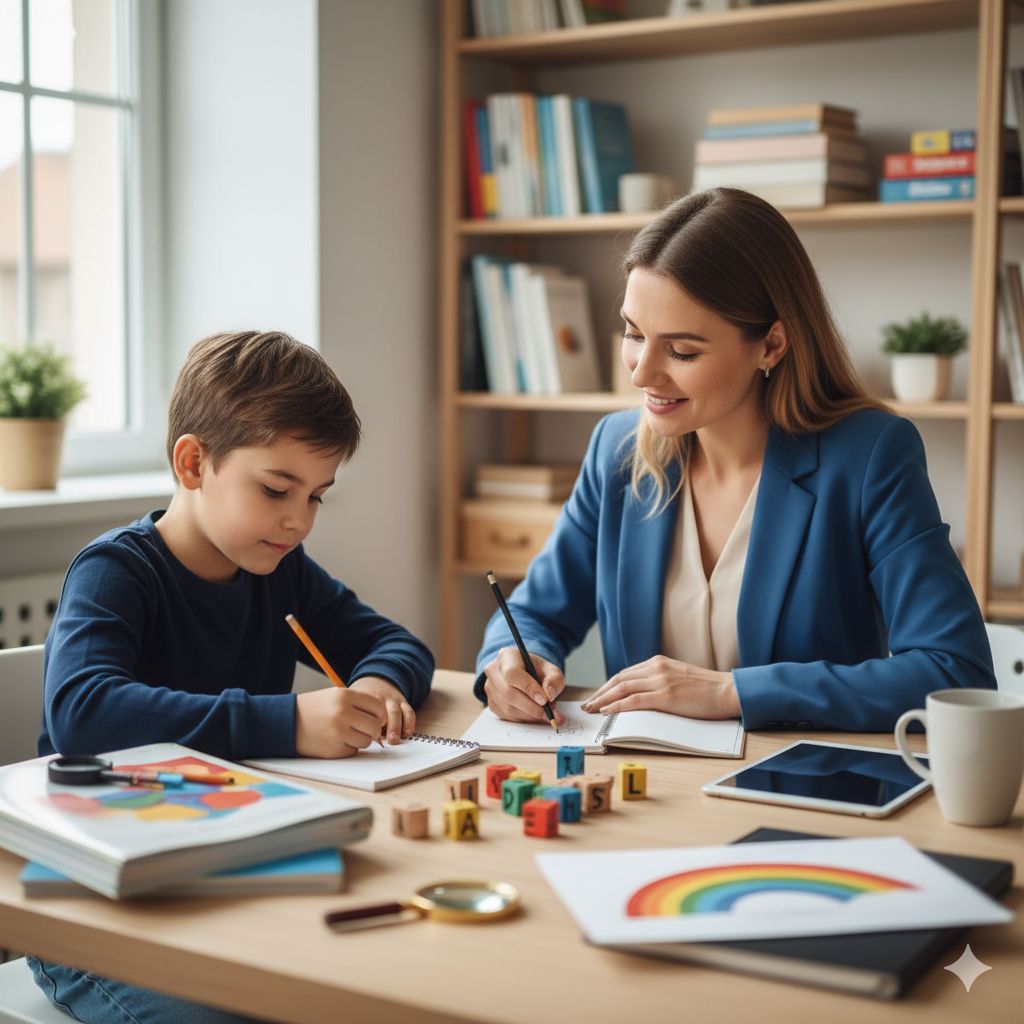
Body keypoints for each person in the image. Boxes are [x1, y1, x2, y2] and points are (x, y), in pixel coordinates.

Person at [476, 187, 994, 732]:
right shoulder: (617, 450)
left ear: (770, 345)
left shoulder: (869, 456)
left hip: (805, 786)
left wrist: (732, 692)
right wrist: (513, 661)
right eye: (633, 333)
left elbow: (955, 672)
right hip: (650, 790)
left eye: (682, 351)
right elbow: (532, 614)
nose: (640, 373)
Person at [32, 329, 434, 1024]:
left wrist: (377, 686)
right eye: (278, 489)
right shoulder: (117, 572)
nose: (299, 521)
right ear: (193, 462)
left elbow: (395, 643)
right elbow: (84, 712)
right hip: (99, 905)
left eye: (316, 497)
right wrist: (286, 722)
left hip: (229, 872)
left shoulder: (279, 572)